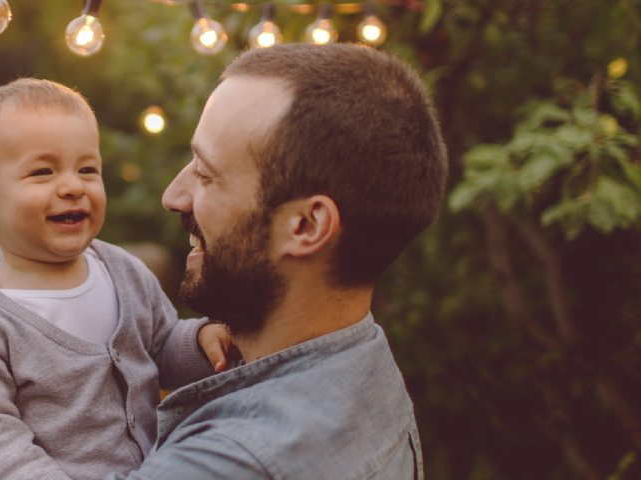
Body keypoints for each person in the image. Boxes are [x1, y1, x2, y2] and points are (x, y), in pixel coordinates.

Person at [110, 43, 447, 478]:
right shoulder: (365, 365)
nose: (173, 197)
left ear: (306, 225)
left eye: (206, 173)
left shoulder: (230, 461)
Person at [0, 78, 234, 480]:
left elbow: (161, 345)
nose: (74, 186)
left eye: (87, 169)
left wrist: (199, 343)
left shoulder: (122, 270)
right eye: (43, 171)